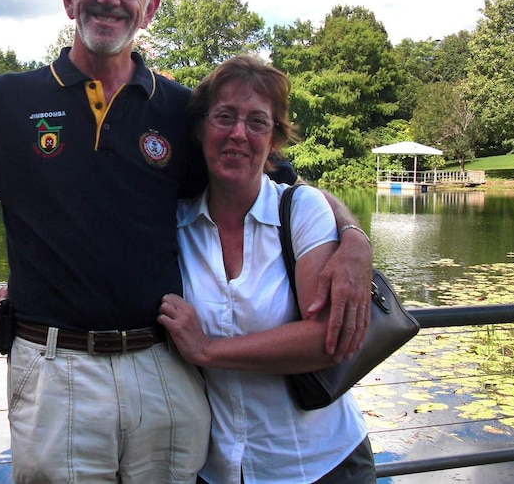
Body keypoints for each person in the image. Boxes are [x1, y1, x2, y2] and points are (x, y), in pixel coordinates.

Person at [0, 0, 371, 483]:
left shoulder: (185, 113)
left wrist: (354, 242)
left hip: (164, 369)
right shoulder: (5, 103)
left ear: (150, 7)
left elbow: (288, 186)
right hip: (55, 371)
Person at [158, 56, 376, 484]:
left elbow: (325, 339)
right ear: (201, 128)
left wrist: (206, 350)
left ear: (274, 138)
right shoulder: (175, 225)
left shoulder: (301, 210)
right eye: (224, 117)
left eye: (258, 121)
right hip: (220, 470)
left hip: (321, 464)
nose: (238, 133)